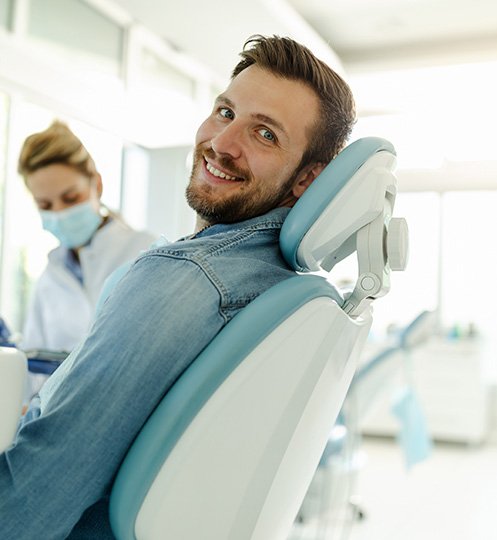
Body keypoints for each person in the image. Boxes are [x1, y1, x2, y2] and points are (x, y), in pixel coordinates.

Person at [0, 35, 356, 538]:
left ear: (306, 179)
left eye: (266, 135)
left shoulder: (186, 274)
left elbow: (35, 493)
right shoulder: (274, 283)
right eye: (226, 112)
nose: (223, 144)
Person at [17, 121, 156, 352]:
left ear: (97, 185)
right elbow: (33, 368)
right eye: (45, 205)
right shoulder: (50, 277)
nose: (59, 213)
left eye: (71, 198)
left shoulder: (145, 252)